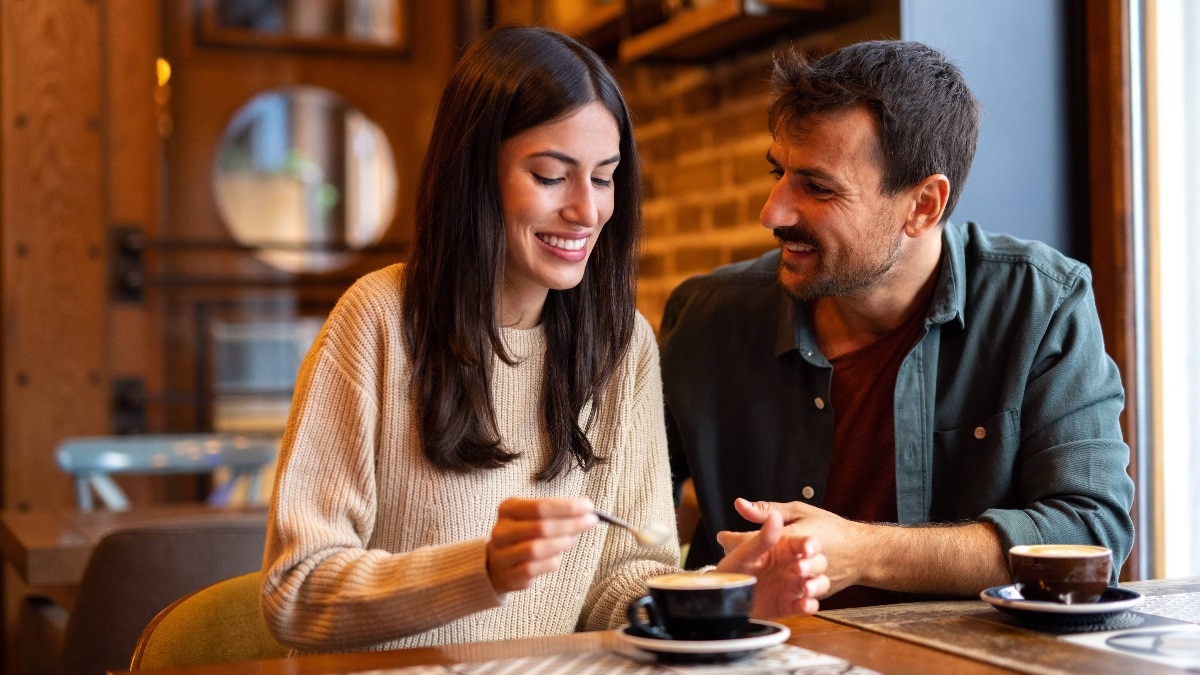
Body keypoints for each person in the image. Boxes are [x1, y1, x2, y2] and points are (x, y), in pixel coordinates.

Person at [260, 25, 828, 653]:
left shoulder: (622, 345)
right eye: (552, 176)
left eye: (605, 178)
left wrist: (722, 595)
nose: (587, 210)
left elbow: (621, 585)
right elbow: (297, 592)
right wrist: (482, 570)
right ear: (475, 174)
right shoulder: (378, 322)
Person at [660, 40, 1135, 609]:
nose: (773, 212)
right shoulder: (705, 318)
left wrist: (862, 550)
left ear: (924, 206)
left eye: (817, 186)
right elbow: (625, 524)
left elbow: (1090, 529)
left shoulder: (1039, 303)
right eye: (778, 172)